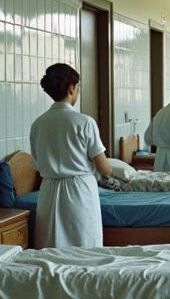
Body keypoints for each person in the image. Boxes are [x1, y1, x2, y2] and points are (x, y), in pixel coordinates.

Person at [29, 63, 112, 248]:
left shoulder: (38, 124)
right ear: (71, 88)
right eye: (78, 87)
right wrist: (113, 173)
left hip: (49, 191)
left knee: (51, 248)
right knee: (83, 246)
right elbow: (104, 168)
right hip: (79, 191)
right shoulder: (84, 122)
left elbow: (36, 163)